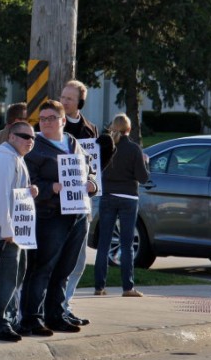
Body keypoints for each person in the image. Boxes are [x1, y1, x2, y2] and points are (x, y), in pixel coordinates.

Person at [20, 100, 97, 336]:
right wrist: (50, 187)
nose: (46, 123)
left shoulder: (73, 143)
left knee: (65, 268)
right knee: (42, 267)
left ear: (63, 121)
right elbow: (27, 181)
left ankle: (56, 314)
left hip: (77, 215)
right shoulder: (35, 148)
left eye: (51, 118)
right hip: (50, 215)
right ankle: (32, 318)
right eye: (42, 119)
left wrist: (92, 182)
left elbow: (89, 169)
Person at [0, 121, 38, 341]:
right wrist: (6, 227)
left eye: (33, 138)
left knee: (14, 277)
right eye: (25, 136)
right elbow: (0, 196)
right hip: (0, 230)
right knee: (3, 279)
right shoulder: (3, 158)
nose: (30, 141)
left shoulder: (16, 158)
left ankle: (10, 321)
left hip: (12, 229)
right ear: (11, 137)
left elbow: (11, 192)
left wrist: (29, 190)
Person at [94, 113, 150, 298]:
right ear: (129, 129)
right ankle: (127, 288)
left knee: (104, 243)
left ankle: (99, 287)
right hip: (128, 199)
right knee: (126, 245)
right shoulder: (134, 149)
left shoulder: (104, 147)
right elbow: (143, 178)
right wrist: (145, 162)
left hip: (108, 196)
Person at [60, 80, 98, 327]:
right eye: (62, 97)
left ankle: (65, 304)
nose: (64, 102)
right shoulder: (51, 126)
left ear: (80, 103)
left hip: (81, 204)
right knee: (56, 259)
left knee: (78, 260)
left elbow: (92, 168)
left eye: (69, 99)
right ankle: (51, 306)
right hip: (56, 206)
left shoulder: (90, 130)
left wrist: (94, 181)